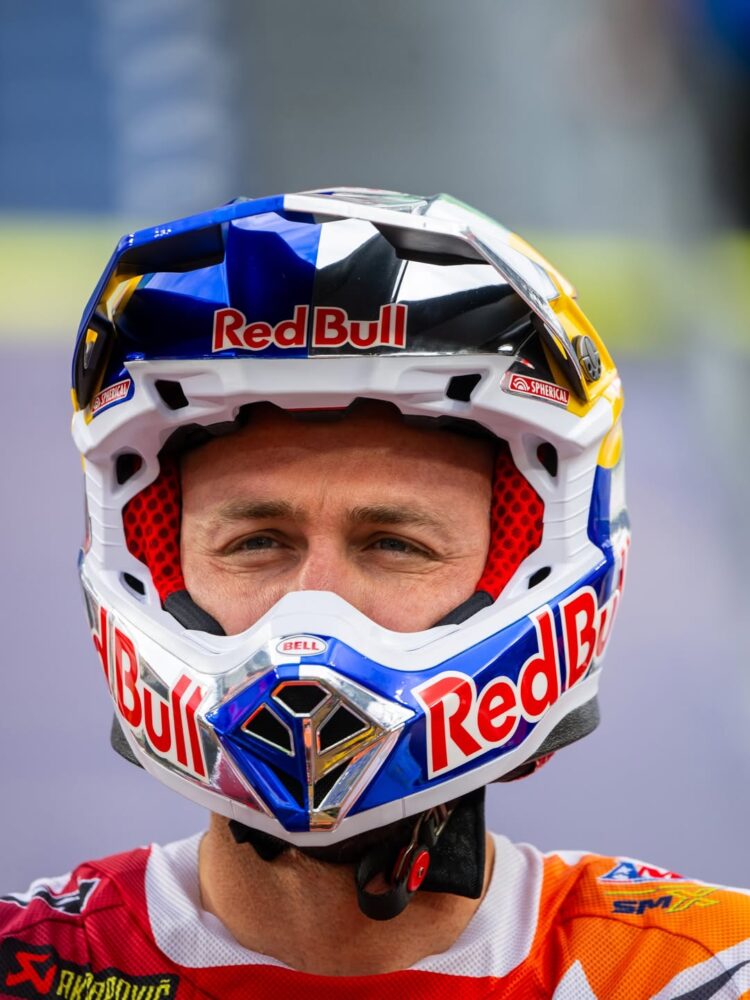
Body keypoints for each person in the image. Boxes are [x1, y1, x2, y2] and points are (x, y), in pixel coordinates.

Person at [1, 188, 748, 999]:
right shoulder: (25, 966)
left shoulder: (703, 972)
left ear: (530, 570)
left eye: (395, 545)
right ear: (155, 570)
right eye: (257, 542)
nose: (315, 608)